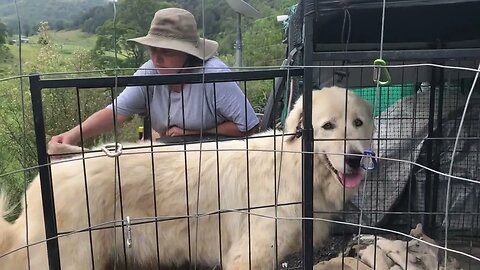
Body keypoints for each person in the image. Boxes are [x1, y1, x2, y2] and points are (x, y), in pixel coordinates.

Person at [49, 7, 259, 145]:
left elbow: (249, 127)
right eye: (153, 50)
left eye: (167, 52)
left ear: (188, 53)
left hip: (219, 161)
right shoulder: (149, 72)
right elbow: (115, 114)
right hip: (173, 160)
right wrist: (72, 136)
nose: (157, 59)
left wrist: (193, 133)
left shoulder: (213, 75)